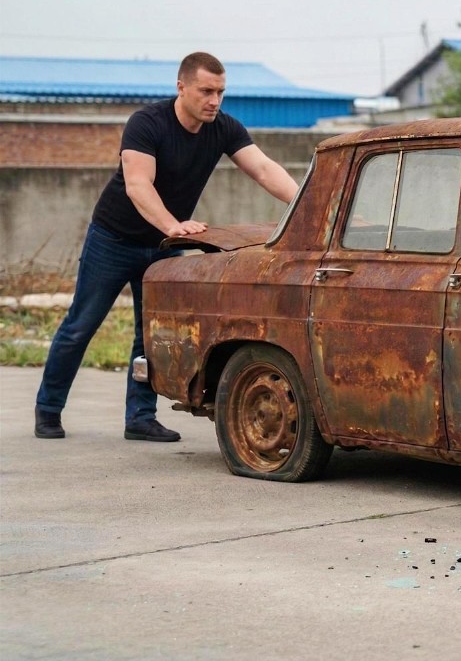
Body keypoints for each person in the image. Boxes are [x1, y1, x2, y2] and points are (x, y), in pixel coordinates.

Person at [33, 51, 299, 442]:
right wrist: (174, 226)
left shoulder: (223, 128)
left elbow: (262, 168)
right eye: (206, 91)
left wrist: (306, 204)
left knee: (151, 333)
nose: (215, 100)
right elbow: (139, 185)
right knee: (81, 326)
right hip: (113, 239)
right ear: (181, 87)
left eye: (221, 92)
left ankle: (140, 418)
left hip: (162, 245)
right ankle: (48, 410)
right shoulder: (147, 123)